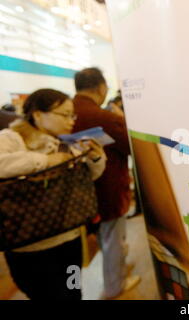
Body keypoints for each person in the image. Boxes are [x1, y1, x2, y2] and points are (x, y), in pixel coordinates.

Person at [0, 89, 106, 300]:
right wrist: (46, 161)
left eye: (72, 115)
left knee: (74, 290)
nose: (71, 121)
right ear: (38, 114)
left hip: (70, 237)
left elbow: (89, 177)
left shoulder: (67, 142)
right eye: (64, 114)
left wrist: (96, 158)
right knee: (45, 295)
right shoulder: (11, 138)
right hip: (30, 245)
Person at [72, 67, 140, 299]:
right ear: (101, 87)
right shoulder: (105, 118)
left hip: (80, 191)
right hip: (109, 188)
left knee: (104, 237)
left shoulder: (69, 112)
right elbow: (132, 148)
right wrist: (122, 121)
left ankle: (115, 275)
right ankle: (114, 286)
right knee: (113, 240)